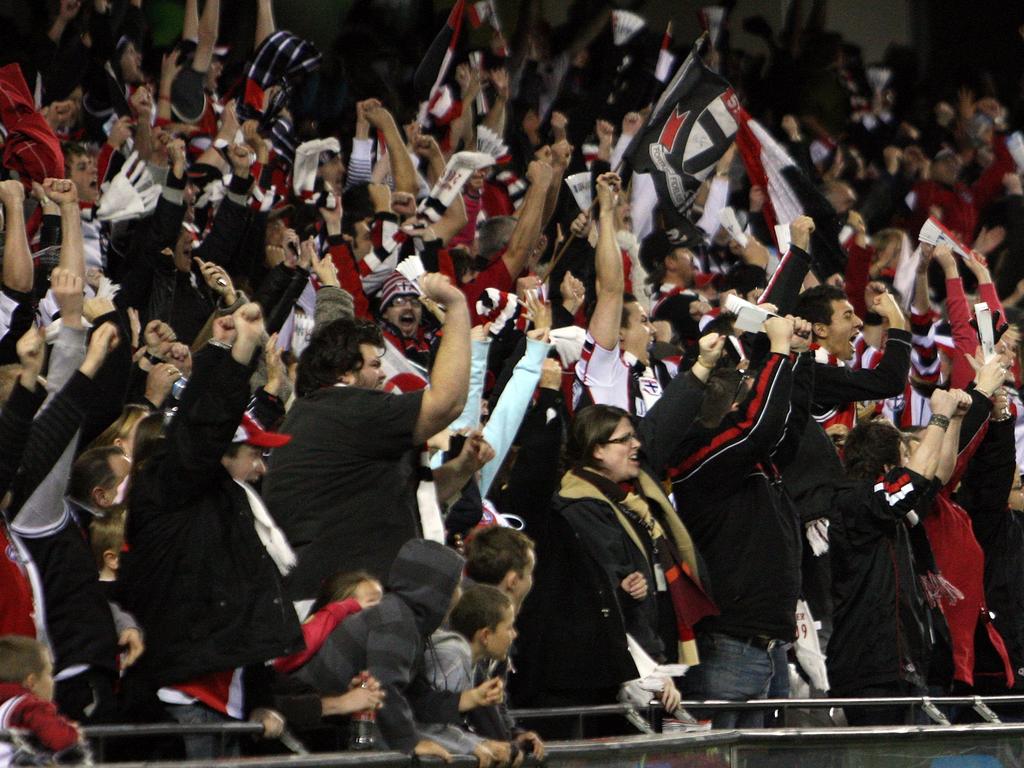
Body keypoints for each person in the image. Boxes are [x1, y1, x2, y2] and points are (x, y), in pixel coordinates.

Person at [116, 303, 303, 759]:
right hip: (183, 700)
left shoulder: (224, 500)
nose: (260, 469)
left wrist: (221, 348)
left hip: (227, 696)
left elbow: (250, 603)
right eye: (252, 455)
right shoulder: (167, 487)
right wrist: (239, 353)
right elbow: (204, 424)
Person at [264, 273, 471, 597]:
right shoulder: (346, 409)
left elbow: (404, 496)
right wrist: (457, 306)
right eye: (375, 364)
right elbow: (448, 402)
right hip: (342, 606)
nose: (384, 373)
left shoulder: (319, 414)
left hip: (324, 599)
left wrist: (463, 468)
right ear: (344, 372)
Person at [672, 315, 814, 728]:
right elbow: (761, 427)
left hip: (769, 646)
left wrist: (797, 361)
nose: (756, 397)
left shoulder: (753, 458)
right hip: (728, 645)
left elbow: (788, 428)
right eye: (748, 390)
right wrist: (778, 353)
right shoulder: (699, 457)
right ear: (731, 406)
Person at [828, 389, 970, 725]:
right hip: (868, 668)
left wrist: (954, 419)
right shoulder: (857, 502)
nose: (915, 466)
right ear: (889, 467)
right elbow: (915, 479)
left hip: (901, 666)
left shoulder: (892, 508)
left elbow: (937, 474)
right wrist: (937, 416)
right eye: (907, 458)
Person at [0, 635, 88, 764]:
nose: (53, 682)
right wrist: (71, 732)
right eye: (49, 674)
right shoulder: (30, 705)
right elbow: (60, 739)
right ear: (32, 682)